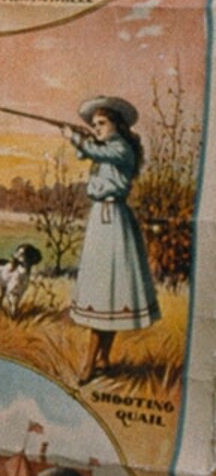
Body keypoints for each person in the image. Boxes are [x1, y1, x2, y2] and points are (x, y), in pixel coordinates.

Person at [59, 96, 157, 379]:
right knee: (107, 293)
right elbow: (86, 154)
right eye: (95, 124)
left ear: (117, 125)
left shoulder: (121, 148)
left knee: (107, 294)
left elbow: (97, 153)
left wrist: (76, 139)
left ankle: (88, 365)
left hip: (113, 221)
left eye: (102, 123)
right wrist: (77, 138)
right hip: (101, 221)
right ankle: (101, 360)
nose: (97, 128)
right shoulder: (105, 147)